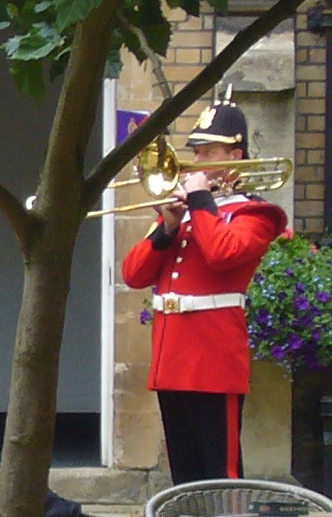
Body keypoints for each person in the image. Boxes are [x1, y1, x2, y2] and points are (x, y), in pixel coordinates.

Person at [120, 102, 288, 485]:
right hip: (172, 356)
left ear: (235, 157)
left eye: (207, 154)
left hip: (214, 359)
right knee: (185, 477)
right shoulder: (190, 214)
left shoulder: (256, 214)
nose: (195, 163)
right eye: (195, 153)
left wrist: (201, 202)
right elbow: (133, 274)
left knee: (220, 474)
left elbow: (223, 254)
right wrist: (167, 227)